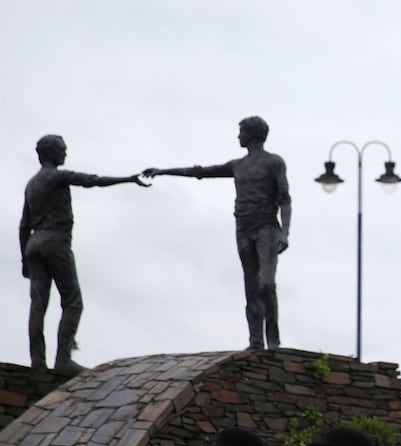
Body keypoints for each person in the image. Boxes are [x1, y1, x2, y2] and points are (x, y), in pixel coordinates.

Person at [143, 116, 291, 351]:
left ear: (252, 134)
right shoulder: (237, 165)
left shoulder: (274, 162)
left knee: (266, 284)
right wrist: (163, 171)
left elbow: (284, 199)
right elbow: (200, 172)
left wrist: (285, 233)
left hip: (266, 227)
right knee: (251, 287)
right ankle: (255, 341)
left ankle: (273, 339)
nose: (238, 135)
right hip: (243, 228)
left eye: (241, 131)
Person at [18, 134, 149, 374]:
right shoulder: (57, 176)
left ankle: (37, 361)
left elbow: (24, 225)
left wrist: (24, 259)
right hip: (55, 241)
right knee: (73, 301)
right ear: (51, 152)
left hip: (34, 245)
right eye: (62, 149)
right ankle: (63, 359)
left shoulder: (31, 184)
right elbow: (93, 180)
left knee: (38, 305)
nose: (65, 153)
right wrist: (128, 179)